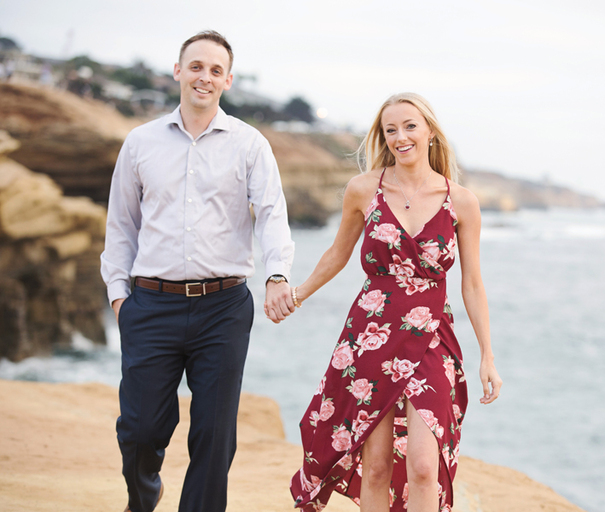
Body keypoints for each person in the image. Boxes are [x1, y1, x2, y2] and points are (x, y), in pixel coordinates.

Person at [100, 30, 295, 512]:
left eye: (215, 70)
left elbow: (272, 214)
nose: (204, 77)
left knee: (214, 434)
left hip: (223, 308)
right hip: (150, 305)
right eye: (196, 66)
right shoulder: (140, 142)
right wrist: (119, 297)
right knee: (140, 430)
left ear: (227, 80)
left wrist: (277, 275)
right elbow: (121, 223)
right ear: (178, 71)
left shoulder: (250, 144)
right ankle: (144, 494)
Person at [289, 93, 502, 511]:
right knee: (376, 467)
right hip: (371, 334)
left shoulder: (461, 201)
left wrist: (487, 356)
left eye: (409, 126)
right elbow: (337, 255)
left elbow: (473, 284)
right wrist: (297, 294)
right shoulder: (363, 189)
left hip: (433, 336)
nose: (400, 137)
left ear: (430, 132)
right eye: (391, 130)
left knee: (423, 466)